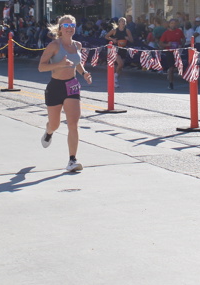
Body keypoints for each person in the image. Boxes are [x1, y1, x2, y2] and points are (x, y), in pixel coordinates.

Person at [37, 15, 92, 173]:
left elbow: (77, 63)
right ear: (60, 28)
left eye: (72, 25)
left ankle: (72, 160)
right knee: (55, 124)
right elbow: (41, 67)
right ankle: (49, 131)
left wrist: (84, 73)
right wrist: (60, 64)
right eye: (66, 25)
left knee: (73, 124)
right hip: (55, 87)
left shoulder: (77, 45)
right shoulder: (54, 45)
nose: (69, 28)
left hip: (72, 85)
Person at [105, 17, 133, 86]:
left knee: (121, 67)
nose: (123, 23)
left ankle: (115, 80)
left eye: (124, 21)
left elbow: (132, 40)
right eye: (122, 21)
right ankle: (115, 77)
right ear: (119, 23)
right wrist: (113, 39)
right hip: (115, 48)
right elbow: (106, 36)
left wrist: (128, 39)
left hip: (123, 49)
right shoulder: (114, 30)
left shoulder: (127, 31)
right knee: (120, 64)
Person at [159, 18, 185, 90]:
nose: (173, 25)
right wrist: (167, 44)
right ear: (169, 24)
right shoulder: (166, 33)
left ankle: (170, 73)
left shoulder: (179, 31)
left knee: (179, 66)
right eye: (172, 23)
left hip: (177, 51)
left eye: (174, 23)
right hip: (169, 51)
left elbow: (183, 39)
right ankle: (171, 83)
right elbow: (160, 43)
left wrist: (181, 45)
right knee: (171, 67)